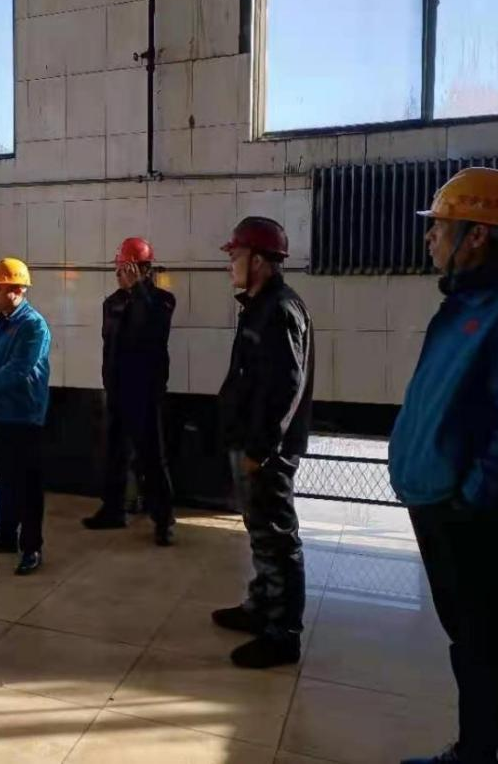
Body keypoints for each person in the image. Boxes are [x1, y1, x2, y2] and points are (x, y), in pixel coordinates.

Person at [390, 168, 498, 764]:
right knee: (473, 642)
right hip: (443, 507)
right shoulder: (467, 303)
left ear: (479, 234)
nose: (430, 236)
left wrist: (474, 498)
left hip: (476, 516)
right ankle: (476, 751)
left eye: (440, 226)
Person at [213, 216, 314, 669]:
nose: (230, 263)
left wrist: (260, 449)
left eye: (235, 255)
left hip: (267, 449)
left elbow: (283, 388)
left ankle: (283, 633)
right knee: (260, 532)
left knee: (276, 535)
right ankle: (261, 606)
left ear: (258, 260)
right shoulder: (259, 306)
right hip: (250, 440)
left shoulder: (280, 310)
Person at [83, 236, 178, 546]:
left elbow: (152, 331)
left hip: (146, 394)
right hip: (117, 390)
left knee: (153, 457)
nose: (119, 274)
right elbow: (109, 345)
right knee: (115, 454)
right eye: (119, 268)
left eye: (125, 268)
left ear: (143, 270)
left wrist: (138, 290)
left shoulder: (161, 301)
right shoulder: (112, 303)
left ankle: (163, 519)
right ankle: (113, 510)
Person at [0, 257, 52, 576]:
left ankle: (31, 547)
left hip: (24, 416)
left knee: (28, 483)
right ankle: (4, 535)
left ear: (17, 290)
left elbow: (19, 368)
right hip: (0, 415)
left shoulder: (33, 326)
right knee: (5, 476)